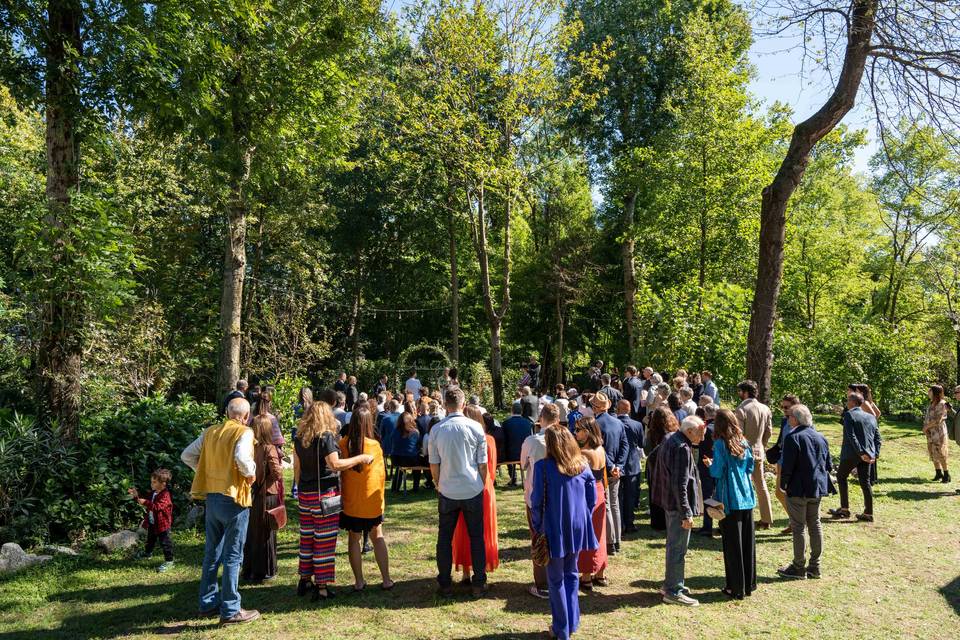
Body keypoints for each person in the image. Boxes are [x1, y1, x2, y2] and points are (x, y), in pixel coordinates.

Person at [180, 397, 259, 625]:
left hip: (212, 497)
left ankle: (207, 603)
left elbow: (186, 455)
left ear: (227, 413)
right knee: (233, 555)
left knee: (212, 553)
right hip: (234, 498)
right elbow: (243, 458)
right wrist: (250, 473)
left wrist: (204, 470)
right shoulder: (244, 432)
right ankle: (231, 609)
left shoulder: (210, 432)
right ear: (245, 416)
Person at [293, 402, 372, 601]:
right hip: (324, 496)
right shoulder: (326, 437)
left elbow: (297, 469)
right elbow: (335, 465)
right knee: (324, 541)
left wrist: (300, 489)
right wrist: (360, 458)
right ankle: (322, 586)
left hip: (305, 495)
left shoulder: (299, 438)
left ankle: (305, 578)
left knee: (307, 539)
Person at [530, 428, 598, 640]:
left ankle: (562, 629)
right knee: (571, 573)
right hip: (578, 526)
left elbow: (536, 501)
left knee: (557, 578)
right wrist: (582, 517)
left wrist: (537, 526)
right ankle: (571, 622)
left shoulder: (543, 467)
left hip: (554, 526)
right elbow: (591, 498)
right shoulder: (582, 465)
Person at [429, 387, 489, 598]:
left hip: (448, 488)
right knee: (476, 537)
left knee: (444, 537)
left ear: (446, 404)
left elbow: (434, 464)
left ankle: (445, 583)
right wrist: (482, 483)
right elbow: (483, 463)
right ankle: (478, 583)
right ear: (463, 404)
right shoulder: (475, 427)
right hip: (471, 486)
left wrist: (438, 483)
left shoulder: (437, 430)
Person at [339, 407, 393, 591]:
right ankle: (386, 579)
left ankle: (359, 581)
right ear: (370, 423)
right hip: (371, 502)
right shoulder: (374, 446)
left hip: (351, 502)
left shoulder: (343, 444)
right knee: (377, 537)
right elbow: (380, 476)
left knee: (353, 540)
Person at [778, 403, 831, 580]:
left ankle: (798, 566)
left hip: (798, 488)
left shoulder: (794, 437)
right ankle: (815, 566)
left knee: (799, 526)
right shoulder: (821, 437)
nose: (787, 419)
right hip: (816, 487)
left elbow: (788, 466)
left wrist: (783, 484)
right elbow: (828, 465)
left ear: (795, 419)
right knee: (814, 524)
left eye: (789, 416)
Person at [656, 416, 706, 606]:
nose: (702, 439)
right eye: (700, 434)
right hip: (678, 506)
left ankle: (672, 583)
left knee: (674, 546)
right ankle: (673, 591)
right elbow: (680, 484)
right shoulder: (682, 448)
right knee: (678, 549)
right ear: (690, 431)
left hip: (670, 502)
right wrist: (686, 512)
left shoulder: (670, 437)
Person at [708, 409, 757, 599]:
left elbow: (717, 471)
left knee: (732, 545)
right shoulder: (743, 442)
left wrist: (710, 464)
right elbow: (750, 466)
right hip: (746, 495)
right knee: (747, 542)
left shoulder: (720, 444)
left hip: (729, 497)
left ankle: (735, 587)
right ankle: (748, 584)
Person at [452, 405, 500, 586]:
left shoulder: (462, 440)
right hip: (484, 485)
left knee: (463, 527)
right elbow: (491, 469)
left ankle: (465, 571)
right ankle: (480, 568)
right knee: (482, 530)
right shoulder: (488, 440)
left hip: (463, 485)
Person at [520, 403, 557, 599]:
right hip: (558, 496)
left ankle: (543, 583)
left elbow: (523, 464)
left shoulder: (532, 441)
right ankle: (556, 578)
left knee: (538, 536)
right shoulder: (565, 439)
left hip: (536, 497)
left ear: (541, 419)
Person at [241, 415, 283, 583]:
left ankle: (250, 570)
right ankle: (265, 571)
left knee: (253, 533)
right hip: (267, 494)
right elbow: (277, 473)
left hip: (254, 494)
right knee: (266, 533)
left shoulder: (251, 447)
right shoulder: (268, 448)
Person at [828, 391, 879, 522]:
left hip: (852, 454)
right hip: (867, 455)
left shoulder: (849, 415)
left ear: (852, 402)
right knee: (865, 482)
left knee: (841, 476)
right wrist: (874, 454)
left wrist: (861, 452)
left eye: (847, 400)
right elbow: (878, 438)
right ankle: (868, 512)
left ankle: (844, 509)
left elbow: (851, 436)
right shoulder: (871, 417)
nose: (846, 403)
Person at [573, 416, 608, 590]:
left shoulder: (584, 453)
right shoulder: (601, 449)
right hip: (600, 489)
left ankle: (586, 576)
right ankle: (600, 573)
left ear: (587, 431)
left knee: (588, 534)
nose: (575, 433)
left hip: (589, 493)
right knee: (600, 534)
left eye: (578, 430)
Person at [734, 380, 774, 529]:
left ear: (745, 392)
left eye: (740, 391)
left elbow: (739, 435)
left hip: (744, 453)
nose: (739, 394)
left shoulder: (741, 409)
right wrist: (761, 445)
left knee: (742, 485)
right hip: (758, 450)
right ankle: (767, 518)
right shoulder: (765, 408)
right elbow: (769, 432)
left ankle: (744, 518)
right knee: (761, 485)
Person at [593, 393, 627, 554]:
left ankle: (611, 542)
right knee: (614, 505)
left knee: (607, 505)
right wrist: (618, 465)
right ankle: (617, 540)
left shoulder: (595, 424)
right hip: (615, 470)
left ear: (595, 408)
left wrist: (614, 465)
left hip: (604, 469)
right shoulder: (618, 423)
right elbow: (625, 446)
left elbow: (600, 449)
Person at [128, 467, 175, 572]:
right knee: (150, 540)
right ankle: (147, 553)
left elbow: (156, 507)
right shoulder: (154, 493)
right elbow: (144, 502)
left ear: (163, 484)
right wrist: (136, 496)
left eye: (154, 482)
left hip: (163, 525)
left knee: (165, 543)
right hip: (153, 522)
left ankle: (169, 562)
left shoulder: (165, 495)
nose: (151, 484)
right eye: (151, 481)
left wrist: (145, 502)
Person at [644, 407, 680, 531]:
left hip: (654, 465)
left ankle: (658, 522)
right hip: (670, 465)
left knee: (655, 491)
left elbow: (646, 450)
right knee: (668, 492)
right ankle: (668, 520)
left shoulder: (652, 432)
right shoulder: (675, 432)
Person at [771, 394, 800, 535]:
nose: (784, 409)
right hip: (782, 461)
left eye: (787, 407)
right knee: (779, 492)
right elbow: (781, 440)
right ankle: (795, 520)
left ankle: (797, 522)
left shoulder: (802, 420)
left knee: (790, 494)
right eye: (782, 407)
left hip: (795, 463)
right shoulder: (784, 421)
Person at [615, 399, 644, 534]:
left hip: (617, 463)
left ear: (617, 409)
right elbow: (641, 443)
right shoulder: (637, 425)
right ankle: (629, 522)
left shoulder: (614, 423)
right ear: (629, 409)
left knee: (617, 496)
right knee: (630, 495)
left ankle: (619, 523)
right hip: (632, 463)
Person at [695, 404, 717, 537]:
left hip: (706, 464)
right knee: (719, 494)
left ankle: (707, 526)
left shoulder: (705, 428)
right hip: (719, 464)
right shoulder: (721, 427)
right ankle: (722, 523)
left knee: (708, 495)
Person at [391, 402, 422, 493]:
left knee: (399, 468)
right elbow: (418, 445)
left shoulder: (395, 431)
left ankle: (395, 488)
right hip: (410, 459)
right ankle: (415, 487)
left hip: (396, 459)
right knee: (418, 465)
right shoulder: (415, 432)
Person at [923, 385, 951, 483]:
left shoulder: (942, 404)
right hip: (930, 432)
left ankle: (946, 475)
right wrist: (926, 429)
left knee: (941, 452)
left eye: (929, 391)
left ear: (934, 392)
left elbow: (938, 419)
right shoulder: (932, 403)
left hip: (939, 432)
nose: (928, 393)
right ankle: (938, 473)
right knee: (932, 451)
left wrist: (926, 427)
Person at [503, 401, 534, 486]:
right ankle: (516, 478)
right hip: (527, 454)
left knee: (507, 450)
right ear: (521, 412)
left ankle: (513, 478)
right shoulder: (528, 423)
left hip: (511, 455)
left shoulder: (506, 423)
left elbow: (504, 440)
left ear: (511, 411)